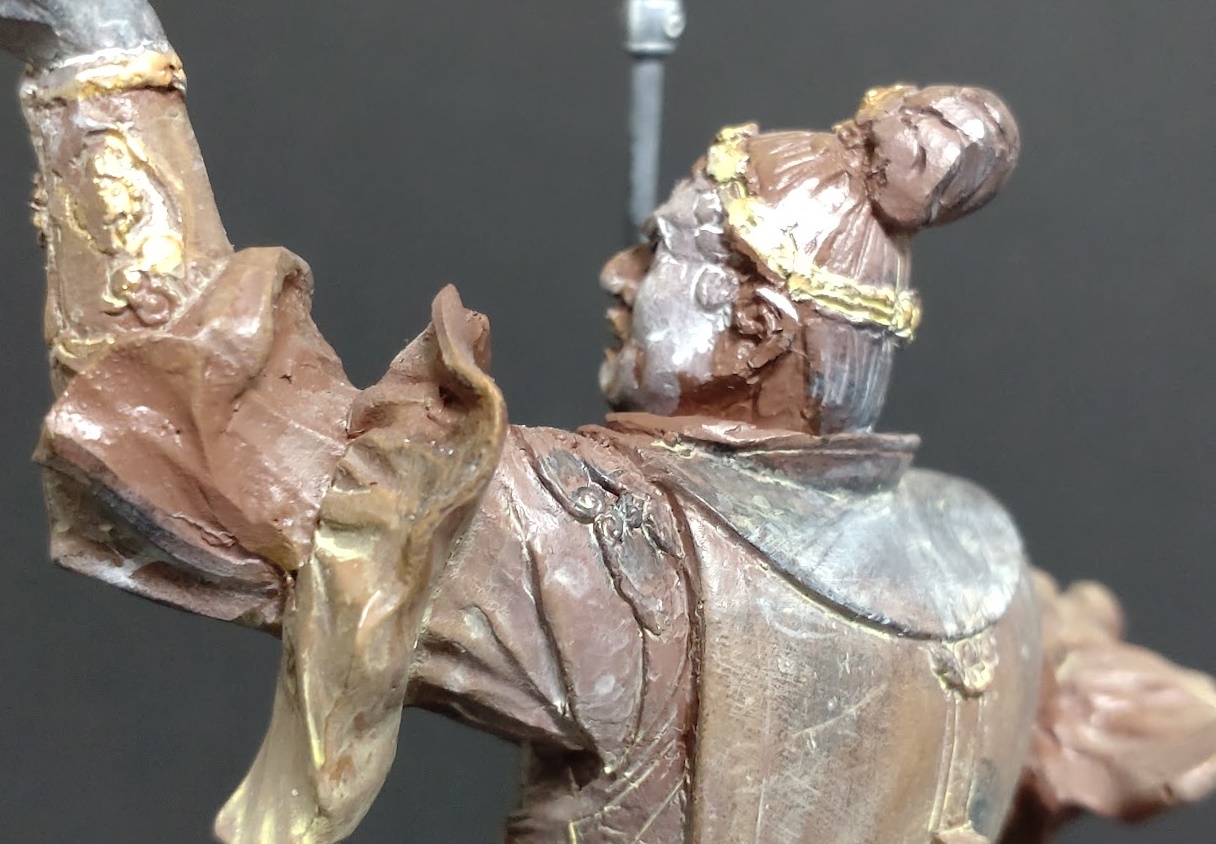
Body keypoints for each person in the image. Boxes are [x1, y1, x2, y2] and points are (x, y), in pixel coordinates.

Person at [4, 2, 1215, 843]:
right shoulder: (980, 559)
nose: (616, 273)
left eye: (661, 252)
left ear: (754, 330)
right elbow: (1117, 710)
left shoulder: (620, 555)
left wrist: (97, 56)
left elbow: (216, 435)